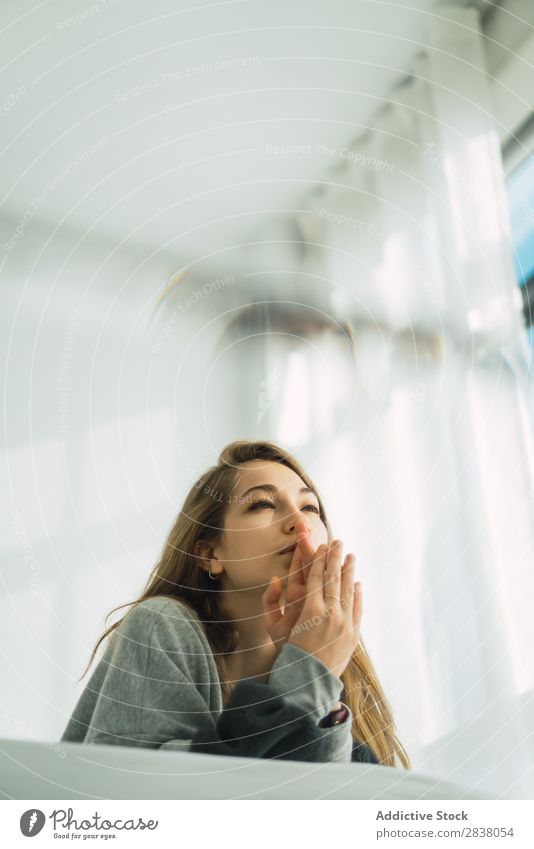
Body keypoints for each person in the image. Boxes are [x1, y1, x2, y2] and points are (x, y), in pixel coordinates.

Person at [61, 440, 410, 768]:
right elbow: (151, 798)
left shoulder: (336, 670)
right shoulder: (160, 622)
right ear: (210, 554)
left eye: (309, 507)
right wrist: (310, 673)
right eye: (262, 504)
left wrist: (320, 682)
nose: (299, 522)